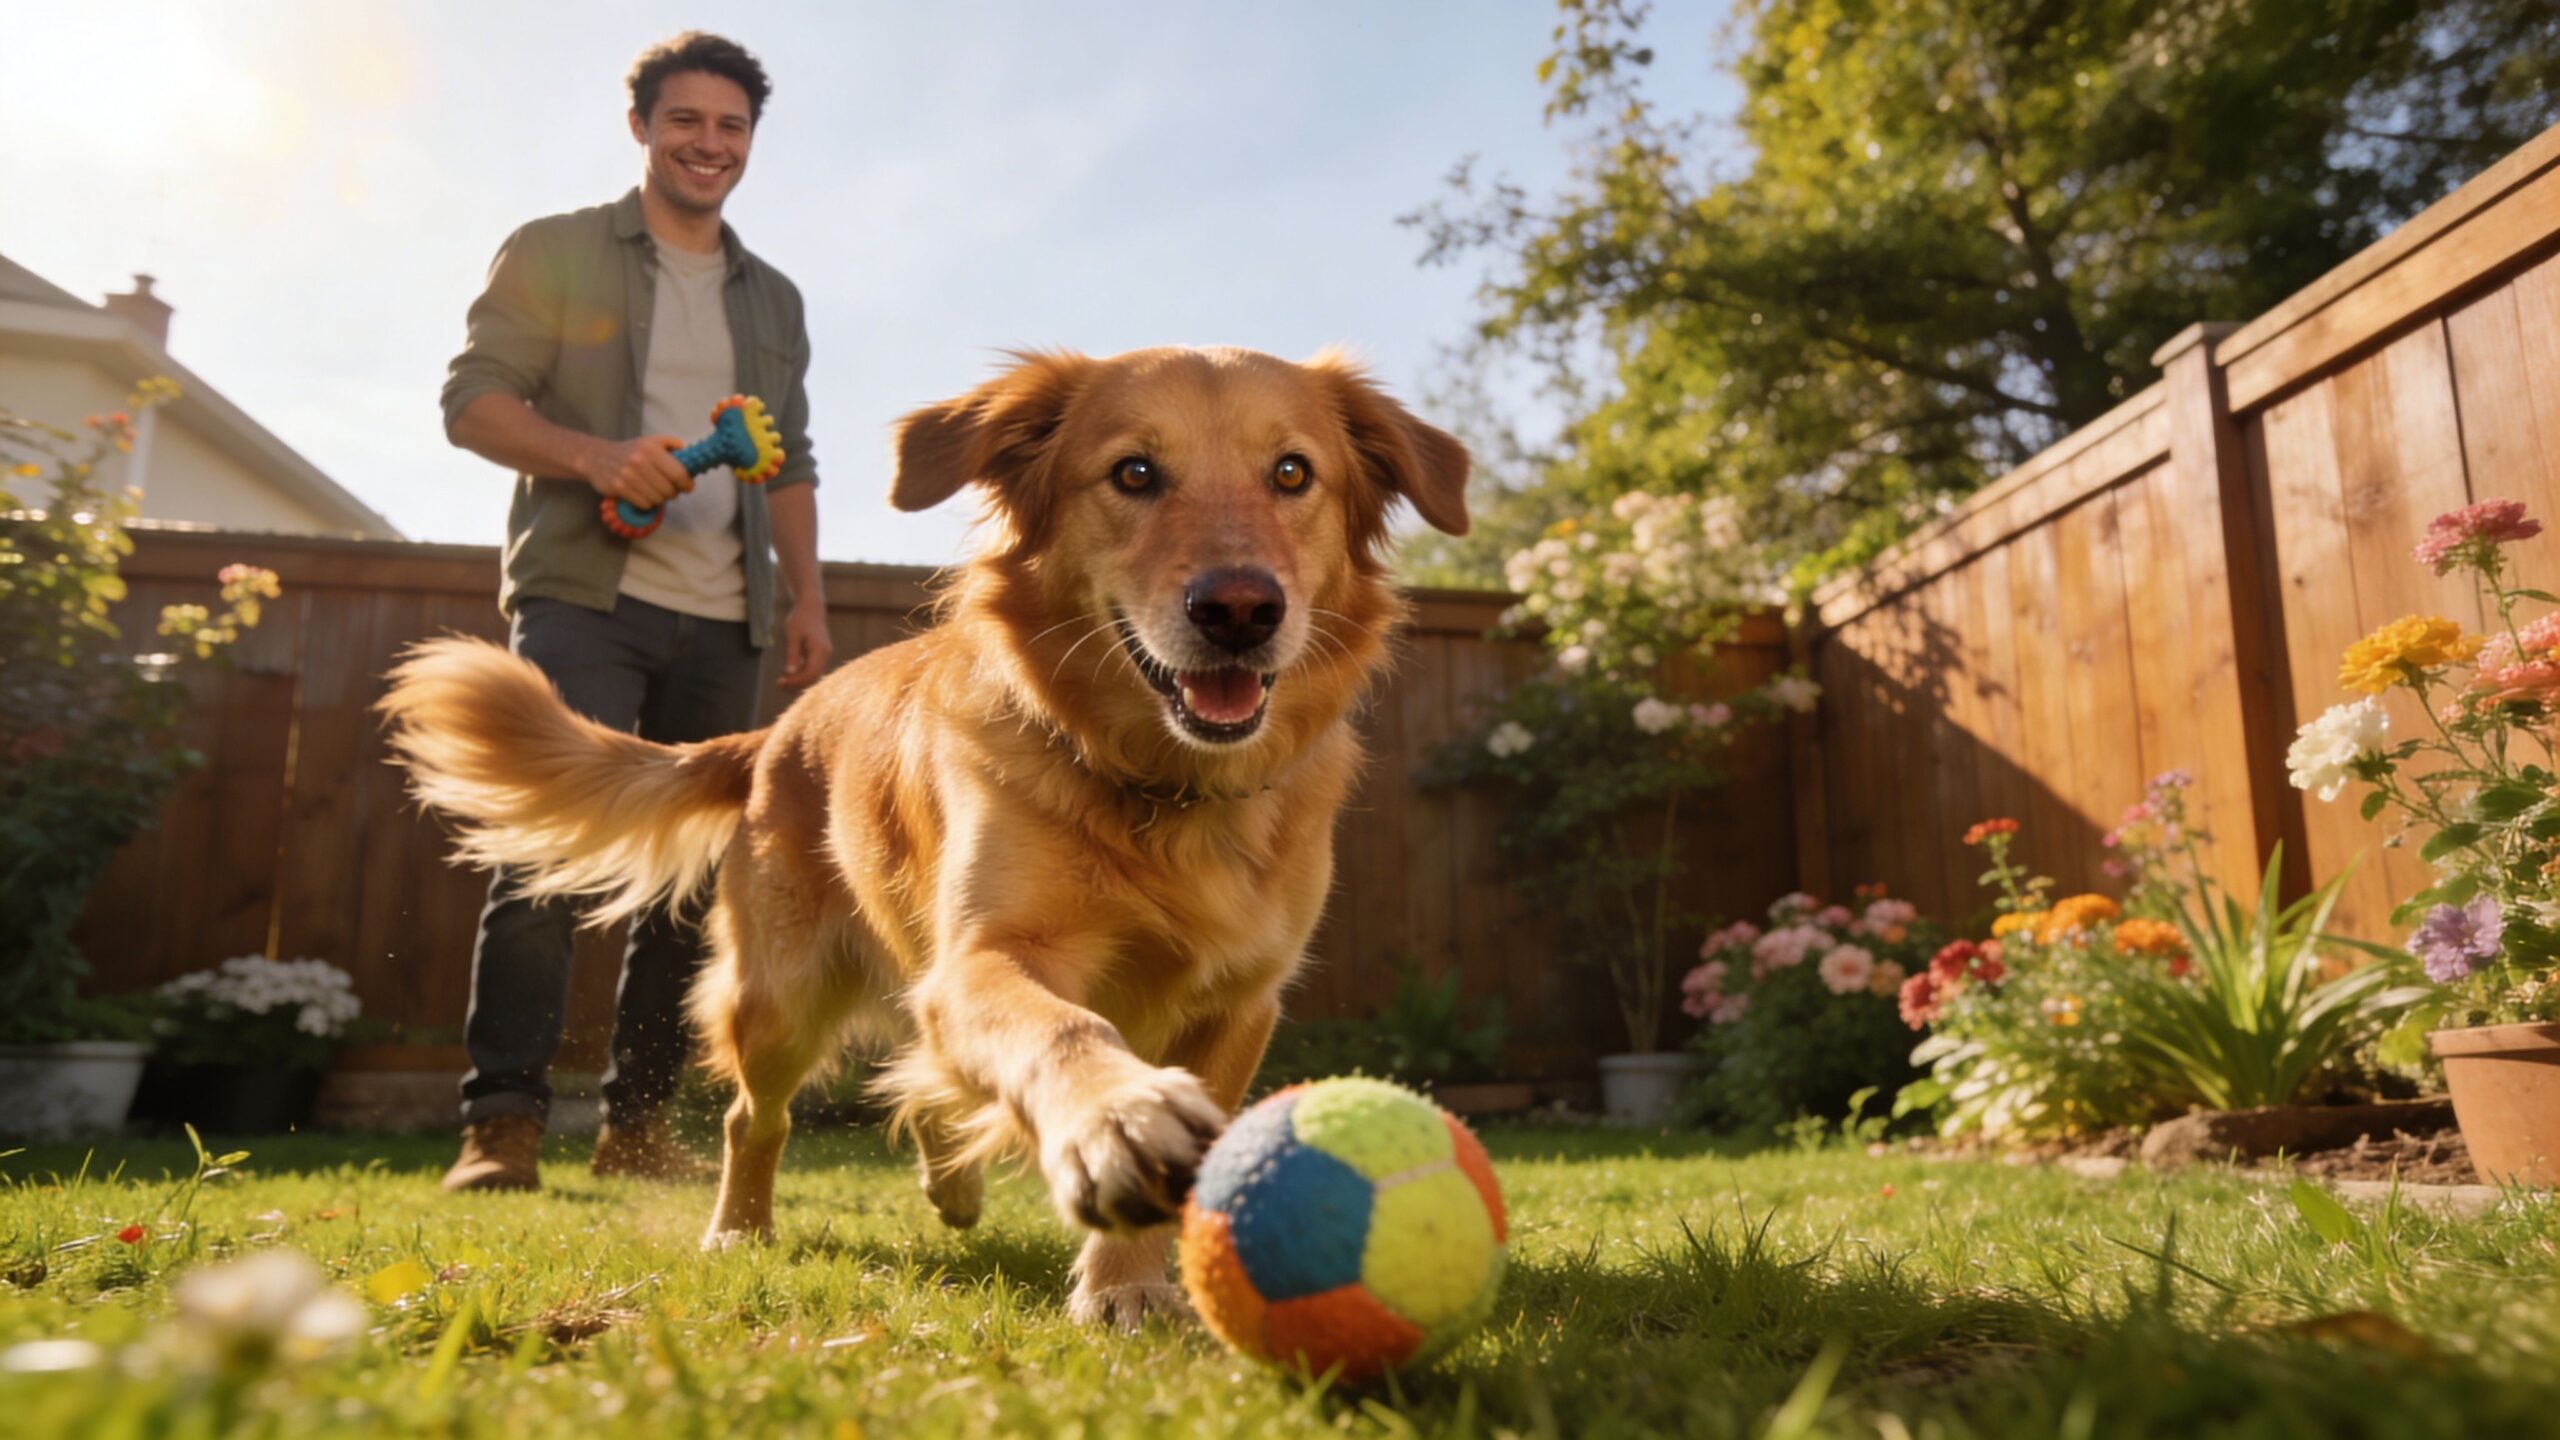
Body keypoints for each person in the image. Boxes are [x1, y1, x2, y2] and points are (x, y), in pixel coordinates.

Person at [435, 31, 830, 1192]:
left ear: (750, 141)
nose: (709, 144)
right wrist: (594, 456)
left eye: (731, 127)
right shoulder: (558, 250)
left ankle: (638, 1127)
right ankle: (500, 1126)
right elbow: (472, 404)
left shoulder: (777, 298)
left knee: (697, 878)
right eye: (686, 121)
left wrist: (804, 599)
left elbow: (788, 461)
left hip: (727, 618)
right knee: (543, 854)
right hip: (585, 598)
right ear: (642, 128)